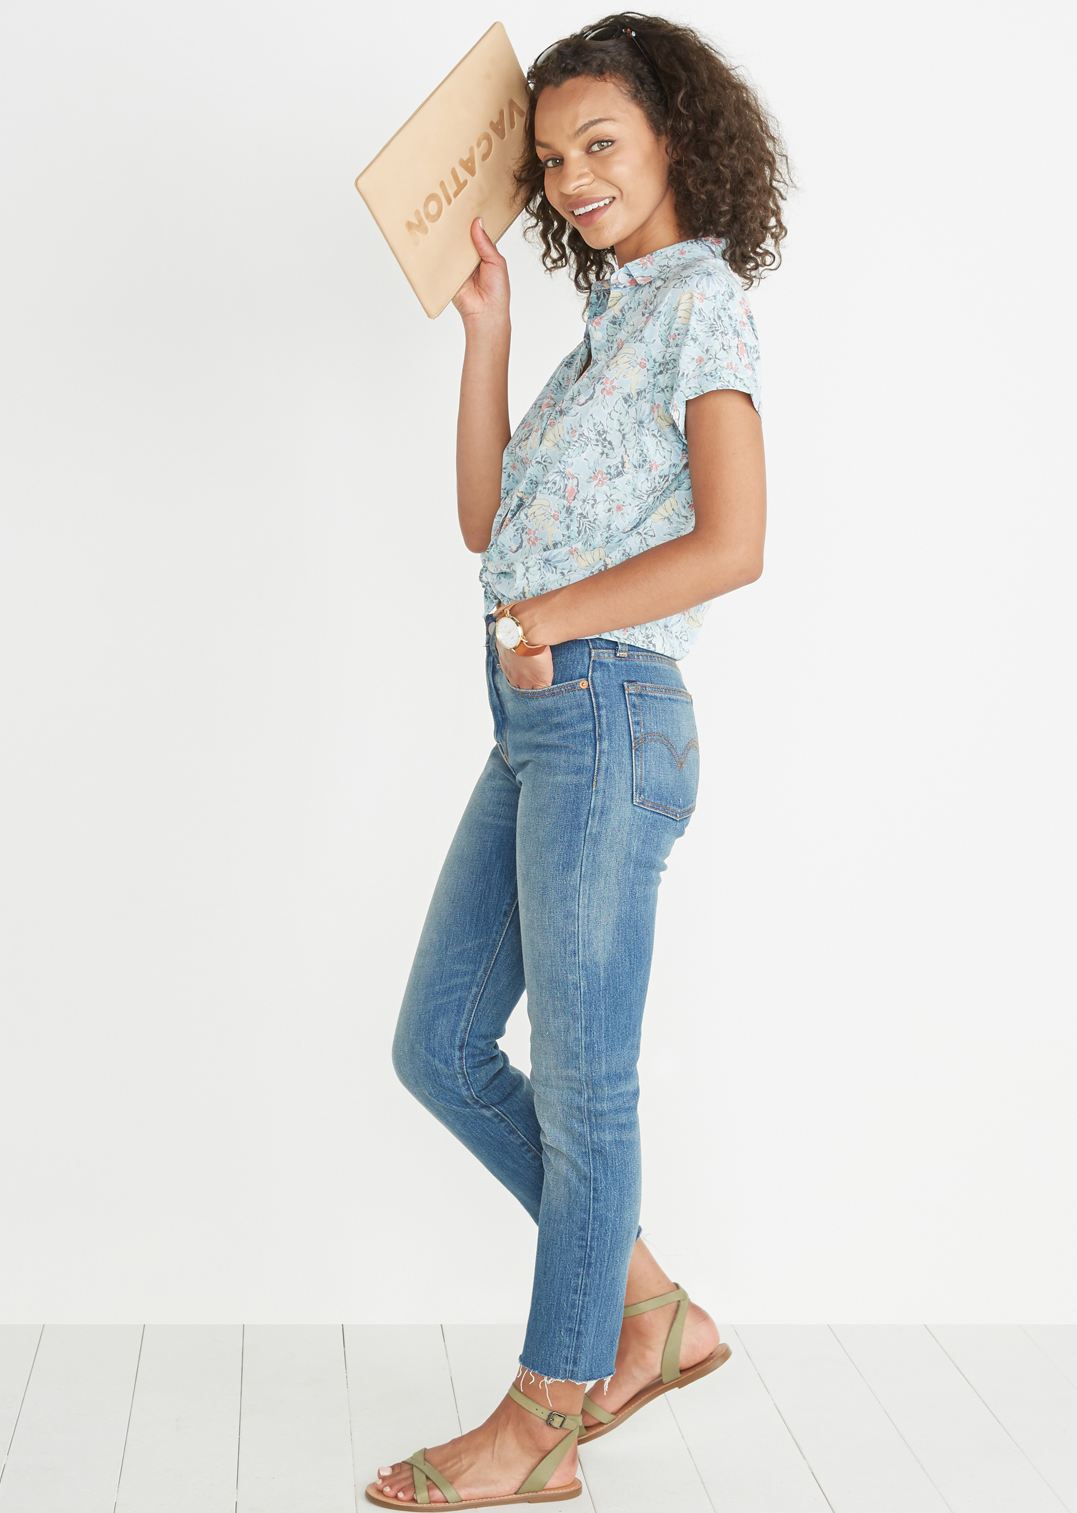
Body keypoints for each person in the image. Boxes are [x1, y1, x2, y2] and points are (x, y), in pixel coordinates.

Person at [368, 13, 790, 1509]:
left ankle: (546, 1413)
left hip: (609, 712)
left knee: (584, 1083)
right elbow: (486, 525)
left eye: (599, 144)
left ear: (675, 137)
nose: (572, 179)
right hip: (539, 719)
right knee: (438, 1046)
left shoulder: (701, 308)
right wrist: (488, 332)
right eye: (550, 160)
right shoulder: (608, 328)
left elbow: (734, 544)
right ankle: (651, 1311)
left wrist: (552, 618)